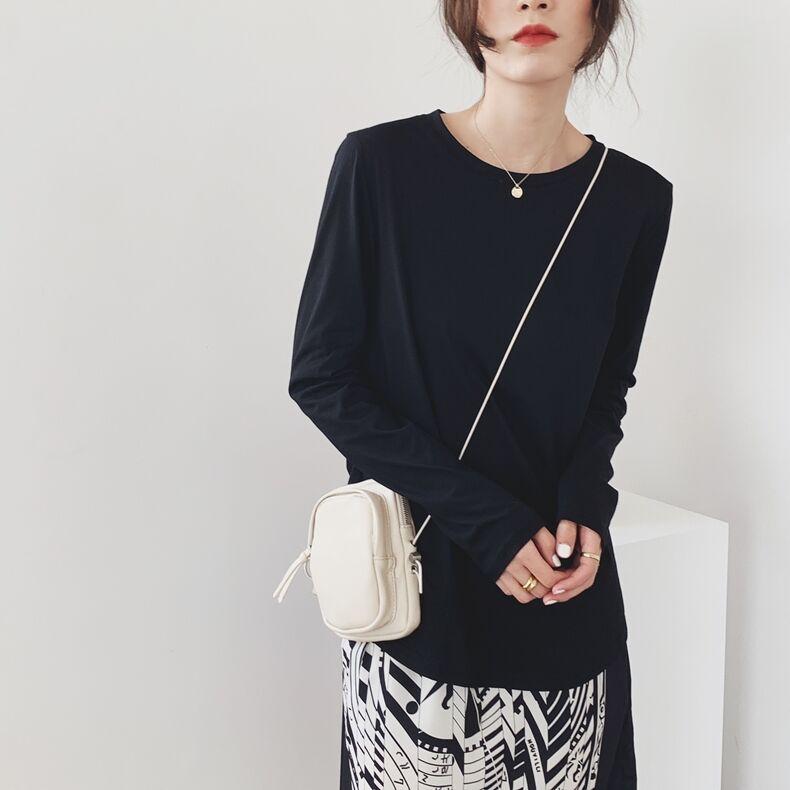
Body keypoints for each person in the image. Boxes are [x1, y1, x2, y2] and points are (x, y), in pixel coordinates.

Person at [287, 1, 673, 787]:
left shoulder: (635, 199)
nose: (533, 2)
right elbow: (324, 377)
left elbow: (607, 389)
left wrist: (585, 506)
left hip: (562, 605)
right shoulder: (380, 166)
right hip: (418, 601)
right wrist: (487, 523)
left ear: (598, 18)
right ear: (470, 16)